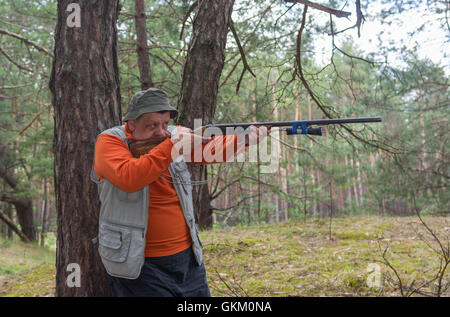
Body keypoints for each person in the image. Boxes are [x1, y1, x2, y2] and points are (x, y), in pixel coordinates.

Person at [91, 88, 268, 297]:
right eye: (153, 125)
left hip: (187, 259)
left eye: (165, 124)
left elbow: (212, 150)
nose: (161, 131)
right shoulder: (110, 141)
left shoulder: (174, 136)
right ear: (131, 124)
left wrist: (243, 139)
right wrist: (173, 146)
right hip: (138, 265)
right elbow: (130, 177)